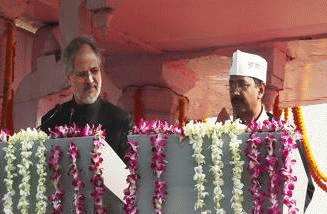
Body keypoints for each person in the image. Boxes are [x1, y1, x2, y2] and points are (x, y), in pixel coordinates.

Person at [40, 36, 132, 161]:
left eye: (94, 71)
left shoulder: (120, 121)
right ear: (69, 78)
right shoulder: (52, 120)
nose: (90, 80)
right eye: (82, 74)